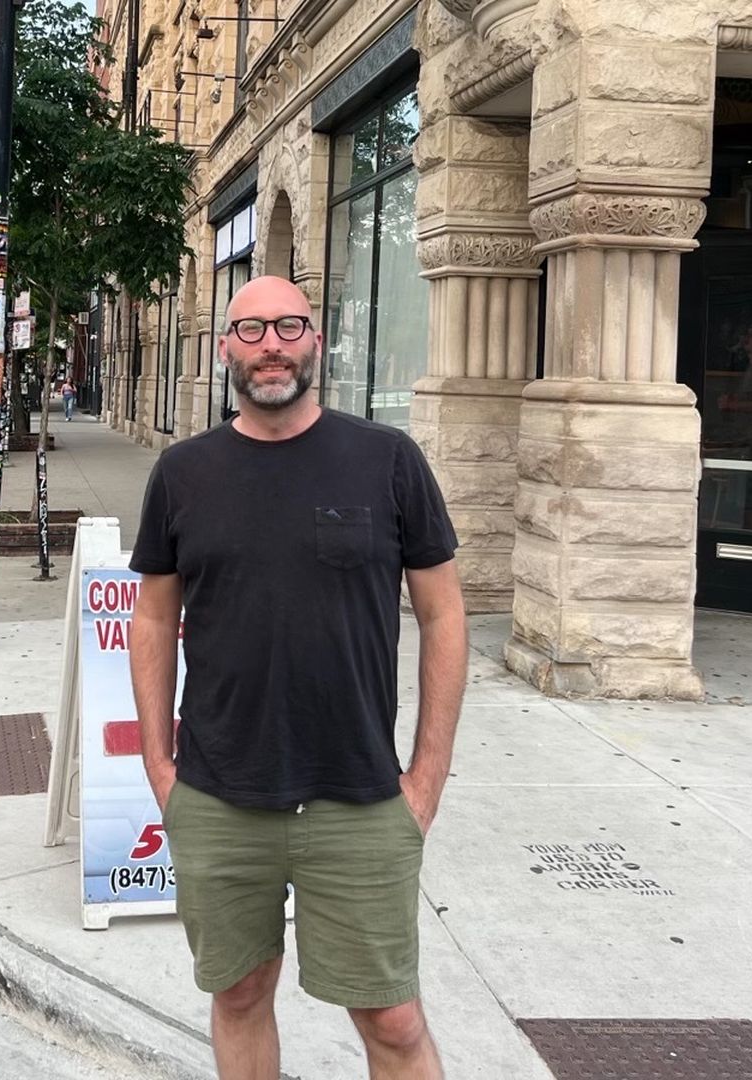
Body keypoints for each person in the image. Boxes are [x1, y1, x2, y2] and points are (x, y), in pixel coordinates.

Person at [128, 275, 467, 1080]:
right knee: (240, 994)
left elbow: (446, 616)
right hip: (218, 794)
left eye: (288, 327)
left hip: (358, 794)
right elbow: (150, 620)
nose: (270, 345)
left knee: (392, 1019)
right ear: (224, 350)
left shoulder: (387, 459)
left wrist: (426, 778)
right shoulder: (183, 472)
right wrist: (159, 767)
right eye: (250, 330)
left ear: (317, 340)